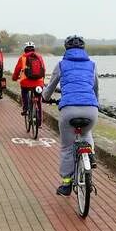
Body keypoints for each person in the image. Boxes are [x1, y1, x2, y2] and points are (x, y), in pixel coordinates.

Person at [42, 36, 99, 196]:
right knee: (87, 133)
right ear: (84, 49)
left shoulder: (61, 65)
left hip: (69, 110)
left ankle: (66, 184)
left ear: (66, 49)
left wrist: (45, 98)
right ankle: (91, 155)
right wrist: (95, 103)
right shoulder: (92, 65)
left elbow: (50, 87)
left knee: (67, 147)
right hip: (90, 109)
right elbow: (95, 88)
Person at [12, 42, 46, 116]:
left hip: (25, 83)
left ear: (25, 49)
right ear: (34, 49)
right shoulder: (39, 57)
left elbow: (17, 70)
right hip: (38, 82)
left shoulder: (22, 58)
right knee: (38, 100)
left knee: (24, 94)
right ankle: (39, 121)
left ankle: (25, 109)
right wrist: (42, 79)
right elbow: (44, 69)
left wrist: (14, 78)